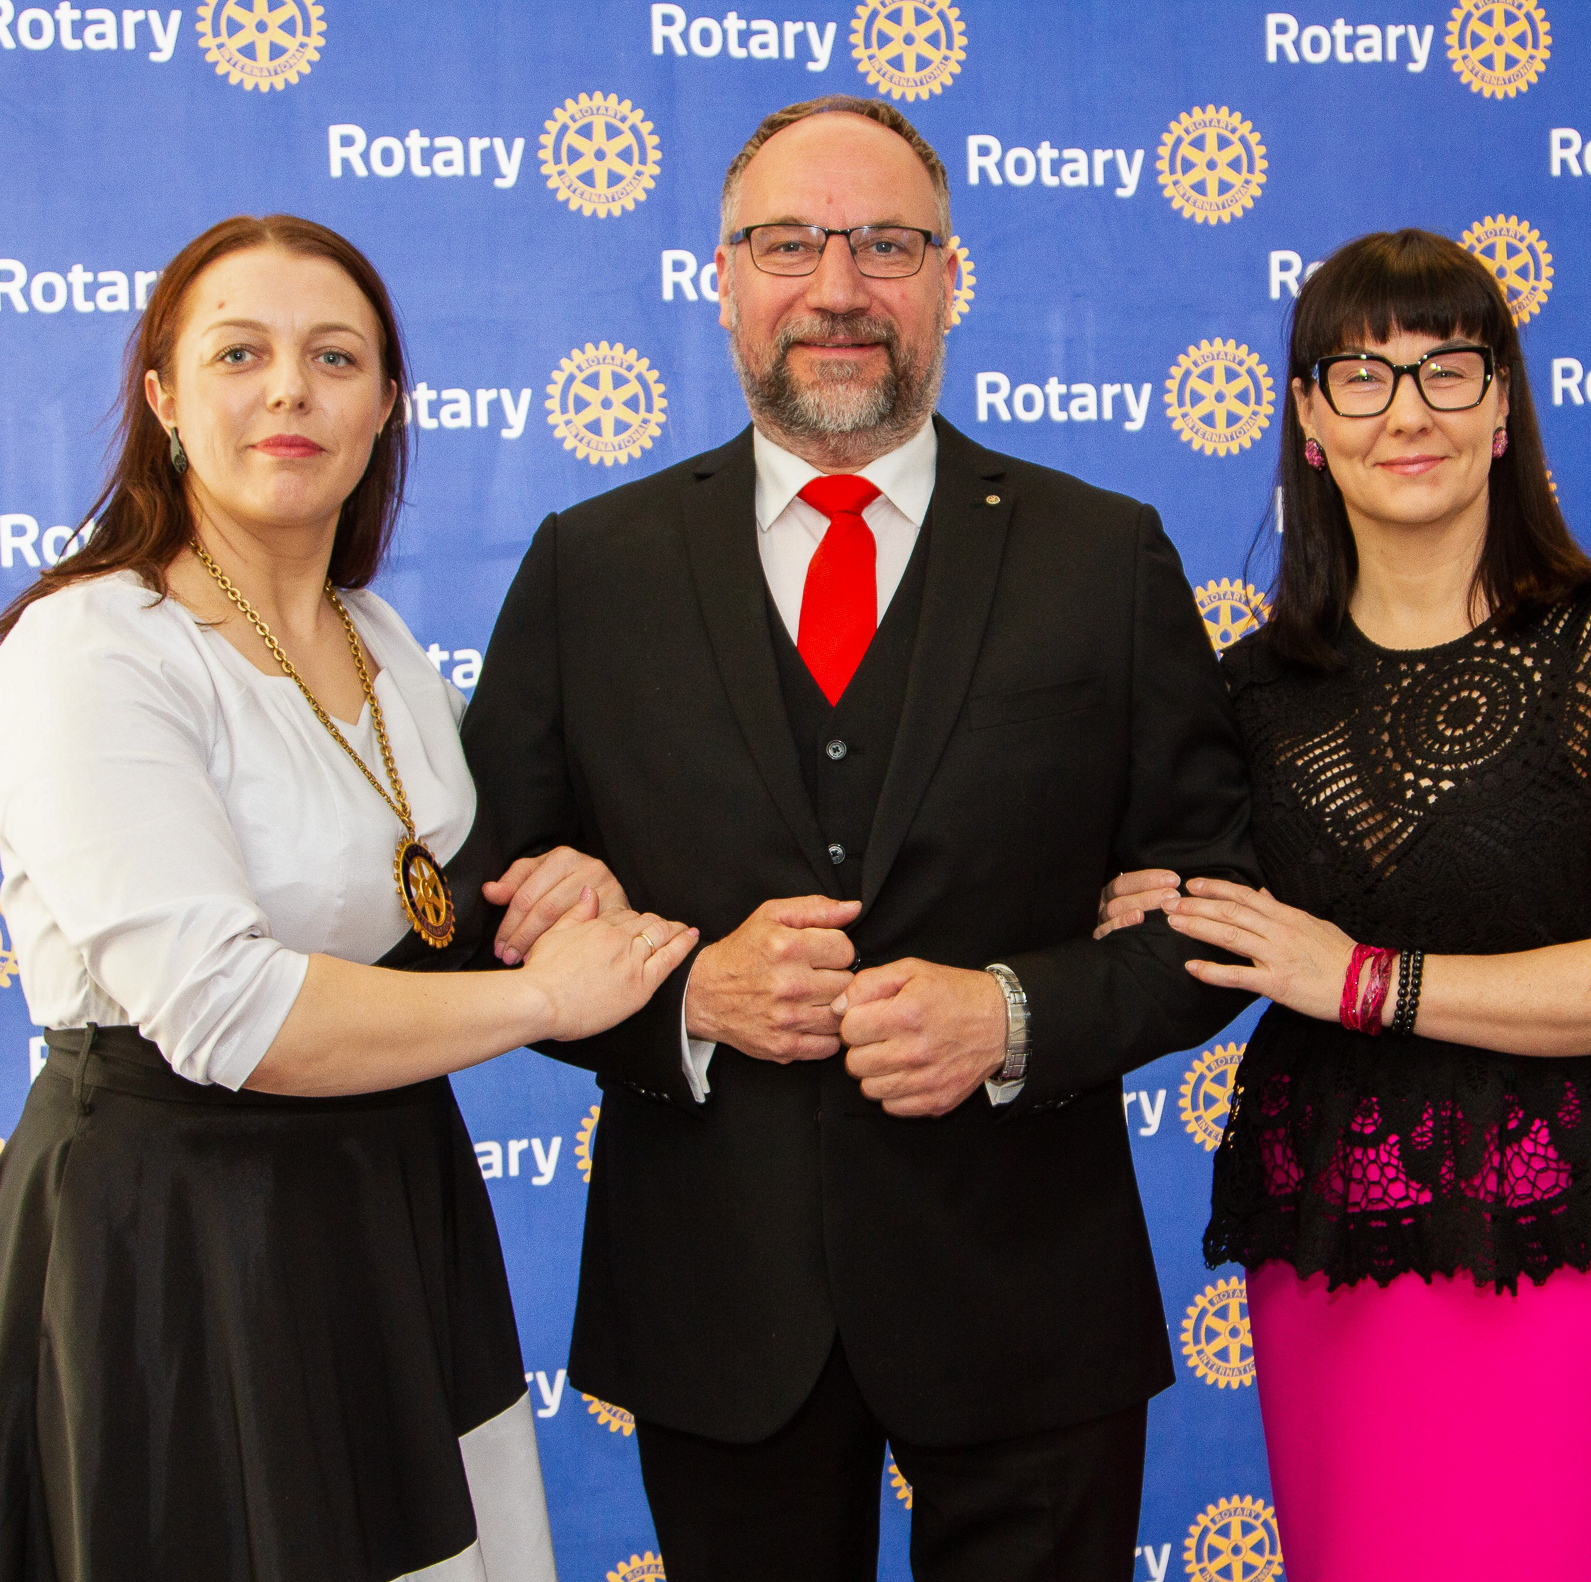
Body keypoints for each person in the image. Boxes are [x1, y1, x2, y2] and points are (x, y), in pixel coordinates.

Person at [453, 96, 1259, 1582]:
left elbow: (1213, 911)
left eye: (886, 245)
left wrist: (1013, 1013)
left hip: (1032, 1306)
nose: (836, 288)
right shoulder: (590, 568)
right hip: (717, 1307)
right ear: (723, 278)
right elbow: (475, 912)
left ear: (950, 277)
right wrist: (685, 996)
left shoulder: (1105, 555)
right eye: (788, 244)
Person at [0, 214, 696, 1582]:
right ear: (163, 396)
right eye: (239, 353)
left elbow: (418, 917)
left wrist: (542, 892)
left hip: (386, 1216)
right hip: (172, 1247)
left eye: (335, 357)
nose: (290, 389)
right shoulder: (93, 644)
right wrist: (544, 999)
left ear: (385, 405)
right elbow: (225, 1010)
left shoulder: (376, 635)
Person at [1099, 229, 1591, 1582]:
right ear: (1310, 419)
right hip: (1331, 1242)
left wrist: (1366, 978)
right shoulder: (1250, 691)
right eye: (1362, 374)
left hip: (1556, 1230)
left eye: (1449, 368)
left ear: (1503, 406)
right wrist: (1143, 905)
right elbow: (1204, 910)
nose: (1408, 412)